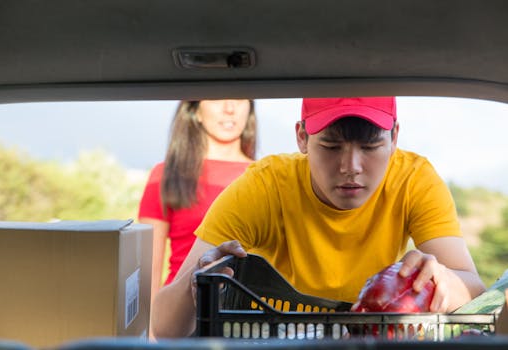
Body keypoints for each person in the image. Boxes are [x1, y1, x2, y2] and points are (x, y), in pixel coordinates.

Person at [151, 97, 486, 338]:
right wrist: (196, 283)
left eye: (370, 148)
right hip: (277, 338)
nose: (351, 167)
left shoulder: (414, 180)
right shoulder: (263, 187)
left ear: (394, 137)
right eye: (331, 146)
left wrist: (444, 281)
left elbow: (473, 288)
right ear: (302, 138)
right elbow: (165, 329)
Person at [138, 99, 257, 299]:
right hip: (179, 313)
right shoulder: (165, 175)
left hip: (244, 315)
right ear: (196, 111)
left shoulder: (266, 177)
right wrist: (151, 329)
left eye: (239, 98)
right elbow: (148, 273)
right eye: (216, 99)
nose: (230, 109)